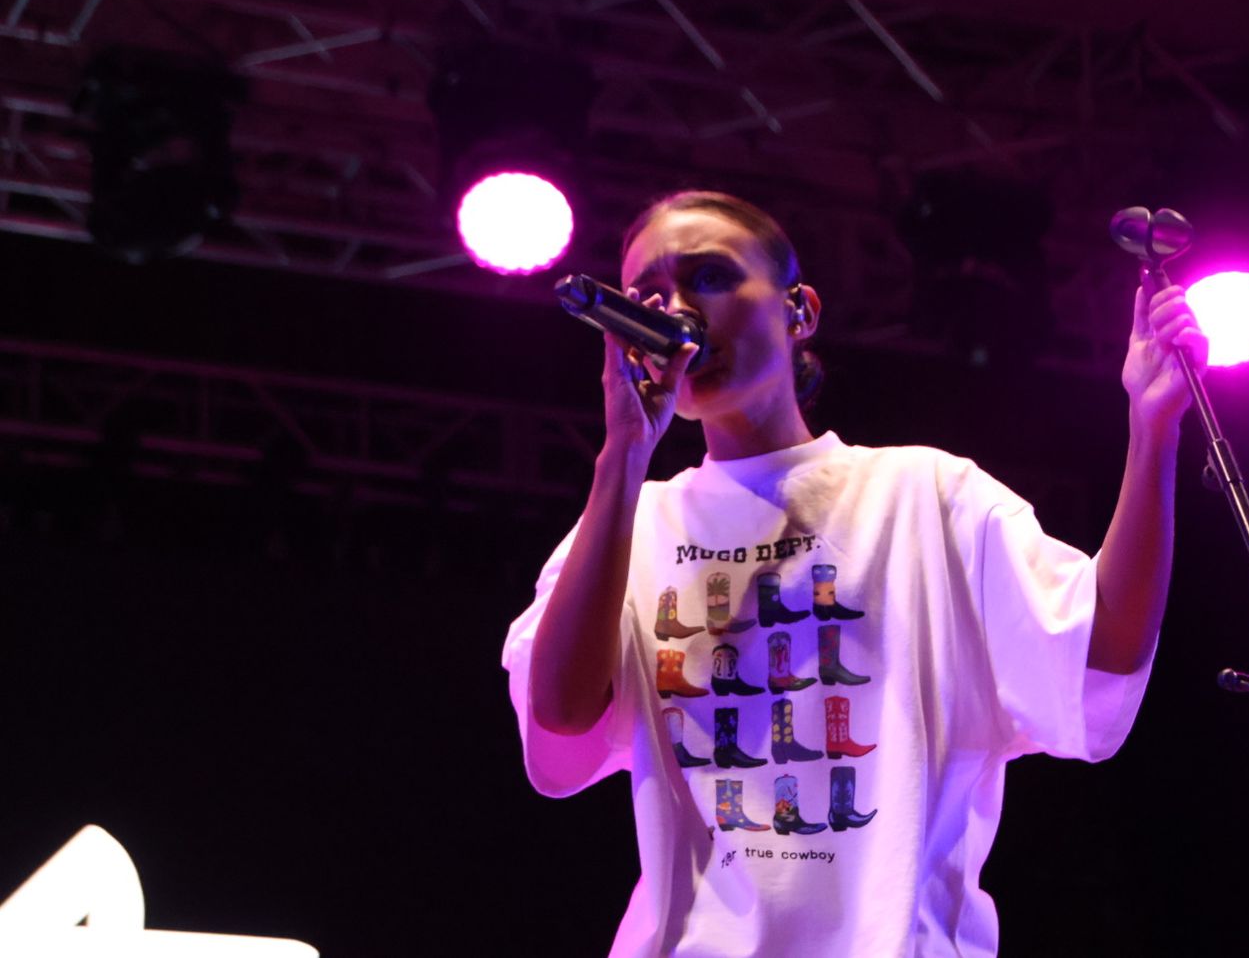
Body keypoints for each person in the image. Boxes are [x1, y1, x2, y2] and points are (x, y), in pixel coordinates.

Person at [502, 190, 1207, 957]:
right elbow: (562, 715)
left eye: (708, 276)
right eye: (649, 294)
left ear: (799, 311)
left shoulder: (924, 494)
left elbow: (1103, 650)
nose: (676, 310)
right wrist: (624, 454)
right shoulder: (632, 524)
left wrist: (1152, 429)